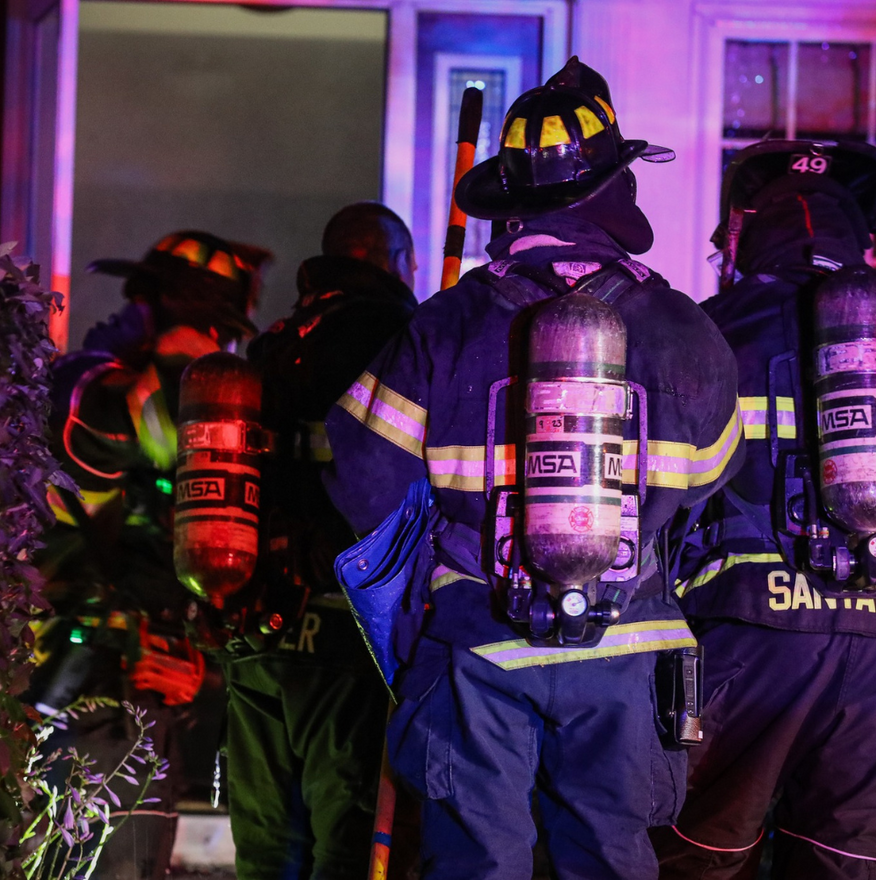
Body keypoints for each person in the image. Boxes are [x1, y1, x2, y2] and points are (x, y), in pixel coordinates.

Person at [323, 57, 744, 880]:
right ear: (614, 190)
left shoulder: (443, 323)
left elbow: (359, 479)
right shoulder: (686, 329)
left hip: (478, 645)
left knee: (475, 864)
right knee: (610, 862)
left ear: (512, 201)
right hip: (630, 647)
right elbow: (710, 487)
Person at [651, 140, 876, 879]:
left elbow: (659, 496)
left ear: (744, 230)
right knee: (846, 866)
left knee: (701, 858)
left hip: (743, 638)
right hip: (873, 653)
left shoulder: (706, 330)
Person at [30, 229, 269, 880]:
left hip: (159, 703)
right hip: (98, 690)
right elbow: (92, 440)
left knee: (146, 863)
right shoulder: (96, 388)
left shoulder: (146, 395)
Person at [200, 201, 418, 880]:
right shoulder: (396, 340)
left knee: (266, 845)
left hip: (256, 625)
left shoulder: (274, 340)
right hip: (342, 631)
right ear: (395, 262)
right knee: (346, 842)